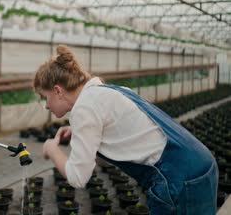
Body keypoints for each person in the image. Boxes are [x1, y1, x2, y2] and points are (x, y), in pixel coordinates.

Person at [35, 45, 218, 214]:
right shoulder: (106, 92)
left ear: (58, 91)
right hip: (200, 164)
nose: (46, 106)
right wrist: (78, 132)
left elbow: (77, 177)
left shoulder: (84, 109)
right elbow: (112, 139)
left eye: (45, 97)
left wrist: (52, 150)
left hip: (179, 180)